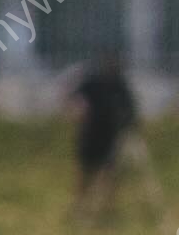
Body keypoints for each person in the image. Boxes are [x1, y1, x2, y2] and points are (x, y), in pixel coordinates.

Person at [67, 52, 163, 225]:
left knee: (110, 176)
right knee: (86, 175)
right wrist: (78, 110)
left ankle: (106, 211)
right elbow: (73, 98)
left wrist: (131, 126)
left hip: (111, 138)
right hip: (91, 135)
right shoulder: (93, 82)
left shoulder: (120, 85)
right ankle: (80, 210)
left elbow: (131, 110)